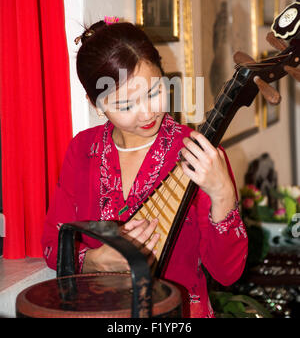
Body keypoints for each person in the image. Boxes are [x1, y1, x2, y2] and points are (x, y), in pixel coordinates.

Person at [41, 20, 248, 318]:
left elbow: (228, 273)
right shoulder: (82, 150)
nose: (148, 112)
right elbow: (52, 244)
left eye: (155, 91)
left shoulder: (200, 154)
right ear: (96, 104)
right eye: (126, 105)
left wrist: (223, 194)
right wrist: (93, 261)